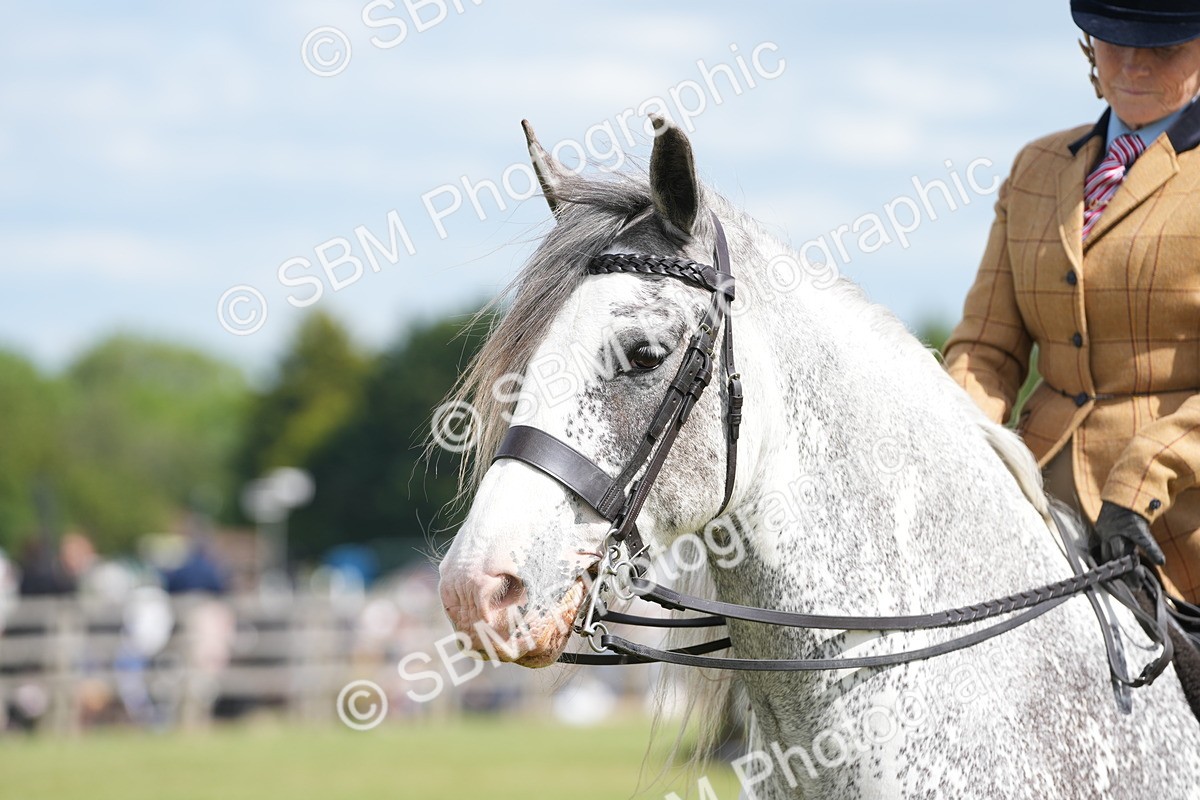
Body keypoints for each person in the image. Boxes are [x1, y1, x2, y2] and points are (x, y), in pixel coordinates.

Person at [943, 0, 1200, 607]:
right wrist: (953, 446)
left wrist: (1141, 478)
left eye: (1163, 48)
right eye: (1115, 42)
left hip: (1177, 517)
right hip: (1033, 500)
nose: (1134, 65)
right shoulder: (1035, 169)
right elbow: (986, 349)